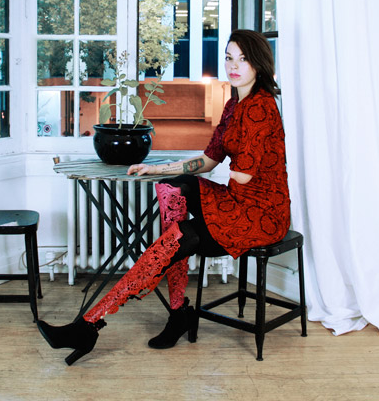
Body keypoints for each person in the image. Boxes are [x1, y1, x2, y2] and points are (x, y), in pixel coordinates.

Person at [36, 30, 291, 365]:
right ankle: (173, 310)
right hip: (237, 203)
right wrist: (157, 169)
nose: (233, 65)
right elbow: (209, 159)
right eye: (229, 57)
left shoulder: (262, 107)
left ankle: (92, 324)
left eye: (242, 59)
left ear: (258, 63)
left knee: (180, 234)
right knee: (175, 187)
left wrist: (241, 164)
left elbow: (244, 174)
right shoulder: (234, 105)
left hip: (262, 215)